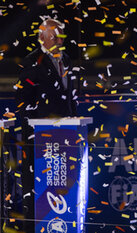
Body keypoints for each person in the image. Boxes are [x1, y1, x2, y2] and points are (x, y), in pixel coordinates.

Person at [15, 18, 77, 233]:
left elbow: (70, 97)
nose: (60, 39)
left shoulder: (67, 59)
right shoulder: (31, 61)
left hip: (67, 136)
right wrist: (40, 126)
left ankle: (62, 225)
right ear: (42, 37)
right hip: (40, 139)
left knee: (63, 185)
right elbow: (23, 101)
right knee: (38, 186)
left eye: (61, 34)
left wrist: (73, 122)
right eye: (55, 35)